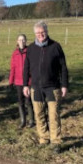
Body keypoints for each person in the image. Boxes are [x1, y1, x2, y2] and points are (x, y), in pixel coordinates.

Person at [23, 21, 68, 150]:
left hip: (52, 88)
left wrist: (64, 85)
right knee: (39, 114)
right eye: (38, 33)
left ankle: (56, 141)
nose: (40, 35)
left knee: (53, 115)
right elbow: (26, 68)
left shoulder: (55, 47)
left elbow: (63, 68)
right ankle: (44, 138)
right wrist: (26, 85)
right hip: (36, 88)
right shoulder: (31, 48)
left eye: (42, 32)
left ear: (47, 32)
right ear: (35, 34)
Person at [9, 34, 35, 128]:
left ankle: (31, 120)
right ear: (17, 41)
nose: (22, 41)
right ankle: (23, 120)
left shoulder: (30, 52)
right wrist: (11, 81)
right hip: (18, 81)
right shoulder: (15, 53)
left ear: (26, 41)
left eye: (23, 40)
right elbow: (12, 68)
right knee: (20, 101)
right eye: (20, 40)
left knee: (28, 100)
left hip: (28, 81)